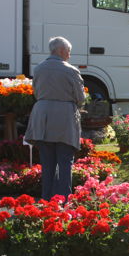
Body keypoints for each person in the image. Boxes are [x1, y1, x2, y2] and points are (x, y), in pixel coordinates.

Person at [25, 37, 85, 200]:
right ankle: (64, 200)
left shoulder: (38, 69)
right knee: (65, 161)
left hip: (42, 116)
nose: (69, 55)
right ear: (60, 51)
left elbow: (36, 93)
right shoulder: (71, 70)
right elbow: (80, 98)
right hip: (64, 117)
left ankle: (46, 200)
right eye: (68, 51)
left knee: (47, 162)